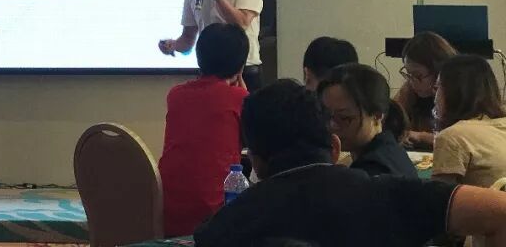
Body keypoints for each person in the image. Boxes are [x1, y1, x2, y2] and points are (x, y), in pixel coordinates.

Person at [195, 79, 506, 247]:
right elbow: (500, 211)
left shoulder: (224, 227)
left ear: (256, 162)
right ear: (334, 147)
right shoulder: (390, 194)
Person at [159, 23, 249, 236]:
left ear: (199, 57)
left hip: (167, 213)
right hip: (215, 219)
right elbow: (252, 142)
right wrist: (246, 96)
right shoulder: (239, 98)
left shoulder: (175, 95)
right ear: (240, 67)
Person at [318, 63, 416, 178]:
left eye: (344, 118)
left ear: (377, 115)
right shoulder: (390, 150)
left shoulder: (373, 171)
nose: (332, 125)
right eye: (326, 115)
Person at [433, 55, 506, 187]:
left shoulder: (452, 137)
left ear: (452, 92)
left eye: (437, 87)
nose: (435, 97)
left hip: (485, 201)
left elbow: (439, 196)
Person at [396, 32, 457, 149]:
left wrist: (422, 137)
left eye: (418, 76)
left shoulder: (461, 93)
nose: (412, 82)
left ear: (438, 71)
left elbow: (461, 139)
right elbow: (390, 120)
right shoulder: (409, 88)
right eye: (408, 74)